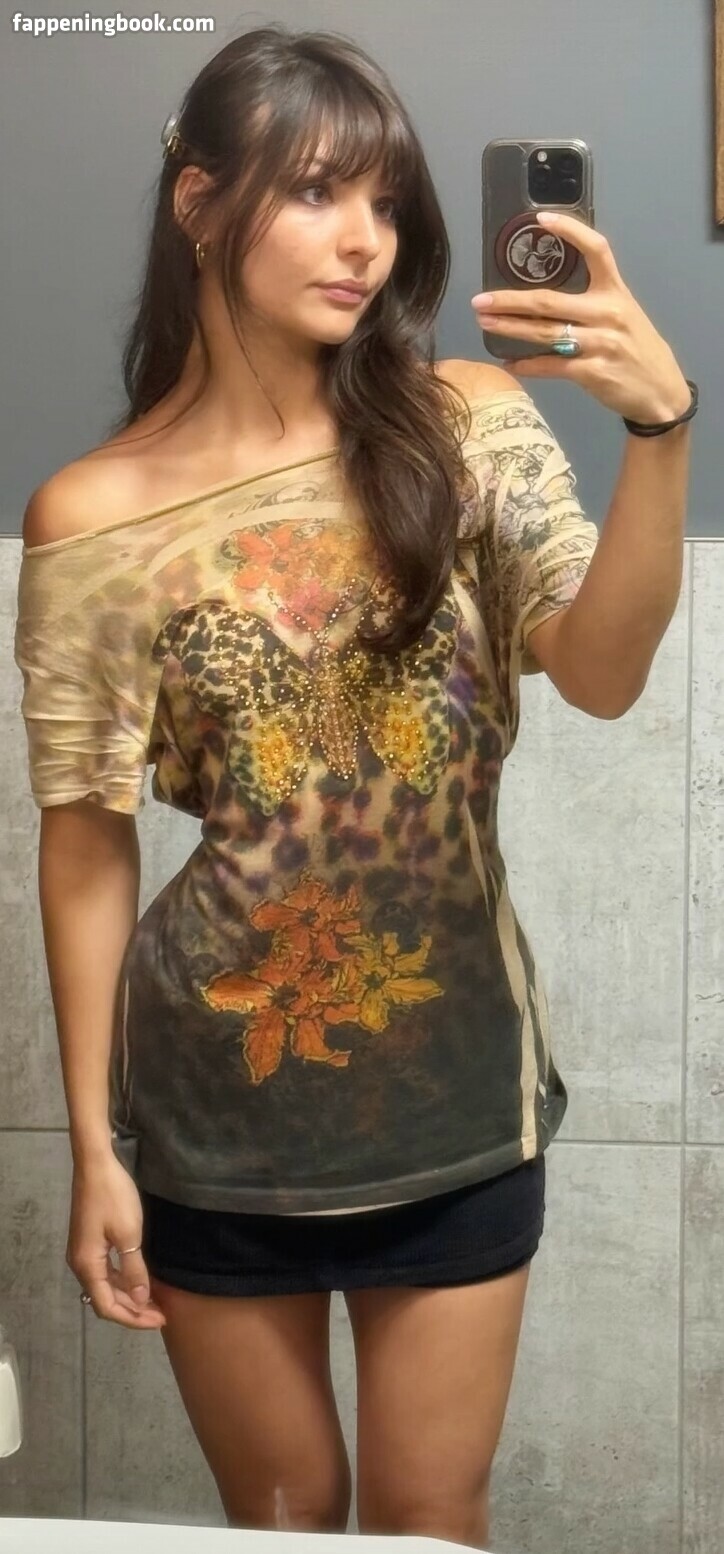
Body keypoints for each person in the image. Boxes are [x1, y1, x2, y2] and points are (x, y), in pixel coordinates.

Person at [13, 23, 695, 1548]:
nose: (365, 238)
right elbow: (86, 839)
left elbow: (601, 671)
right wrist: (93, 1145)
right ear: (200, 203)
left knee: (429, 1519)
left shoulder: (465, 420)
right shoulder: (94, 511)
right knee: (285, 1520)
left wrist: (661, 433)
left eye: (385, 200)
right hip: (213, 1106)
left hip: (456, 1086)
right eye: (318, 191)